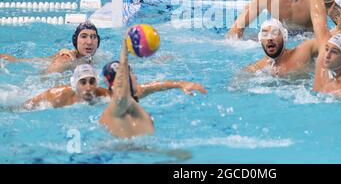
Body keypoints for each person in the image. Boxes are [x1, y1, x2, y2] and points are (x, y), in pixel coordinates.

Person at [24, 62, 207, 110]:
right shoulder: (57, 96)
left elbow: (148, 88)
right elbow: (26, 107)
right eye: (83, 82)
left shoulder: (106, 96)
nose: (88, 87)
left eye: (91, 81)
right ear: (75, 84)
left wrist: (180, 84)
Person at [0, 21, 101, 74]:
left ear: (98, 41)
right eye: (83, 36)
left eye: (93, 37)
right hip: (30, 67)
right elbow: (44, 78)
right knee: (16, 61)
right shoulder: (66, 59)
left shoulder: (98, 56)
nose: (89, 42)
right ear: (75, 41)